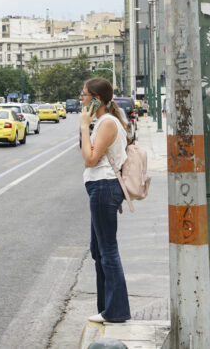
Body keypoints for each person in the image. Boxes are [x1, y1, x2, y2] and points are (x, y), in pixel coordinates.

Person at [78, 77, 130, 325]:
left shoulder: (106, 123)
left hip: (104, 186)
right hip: (101, 187)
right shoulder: (104, 121)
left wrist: (83, 126)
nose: (81, 99)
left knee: (107, 251)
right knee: (99, 250)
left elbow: (89, 159)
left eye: (84, 95)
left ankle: (115, 310)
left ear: (96, 99)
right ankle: (106, 307)